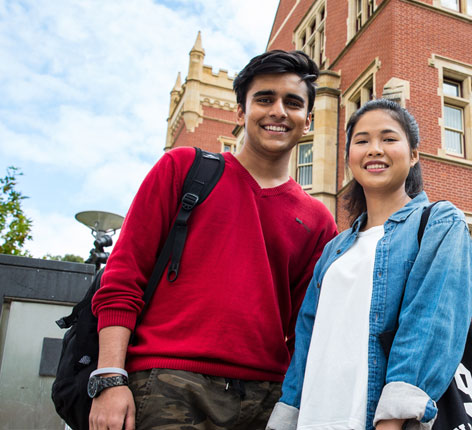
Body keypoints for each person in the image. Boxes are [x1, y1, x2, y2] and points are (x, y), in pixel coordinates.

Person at [89, 50, 338, 430]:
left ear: (308, 120)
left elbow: (308, 326)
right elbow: (123, 277)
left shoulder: (319, 220)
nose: (278, 111)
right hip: (167, 384)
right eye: (264, 99)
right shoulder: (183, 168)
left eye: (292, 102)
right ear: (241, 113)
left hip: (267, 400)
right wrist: (110, 378)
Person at [267, 99, 472, 430]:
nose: (374, 149)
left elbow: (431, 321)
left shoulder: (439, 223)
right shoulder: (333, 250)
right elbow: (306, 340)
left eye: (389, 138)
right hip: (314, 418)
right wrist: (287, 414)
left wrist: (393, 419)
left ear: (413, 155)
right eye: (362, 140)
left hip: (372, 421)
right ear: (349, 156)